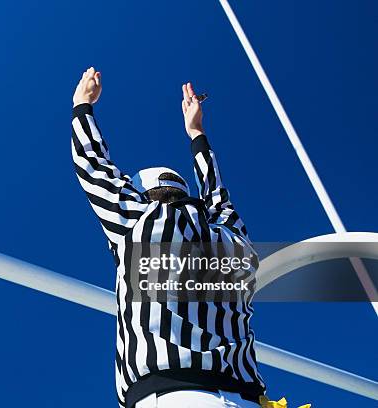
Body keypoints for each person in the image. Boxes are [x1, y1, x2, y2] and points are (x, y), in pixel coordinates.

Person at [71, 67, 266, 408]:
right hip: (249, 399)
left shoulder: (138, 225)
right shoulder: (232, 240)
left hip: (174, 397)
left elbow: (93, 165)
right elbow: (219, 197)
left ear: (142, 196)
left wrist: (81, 104)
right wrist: (196, 133)